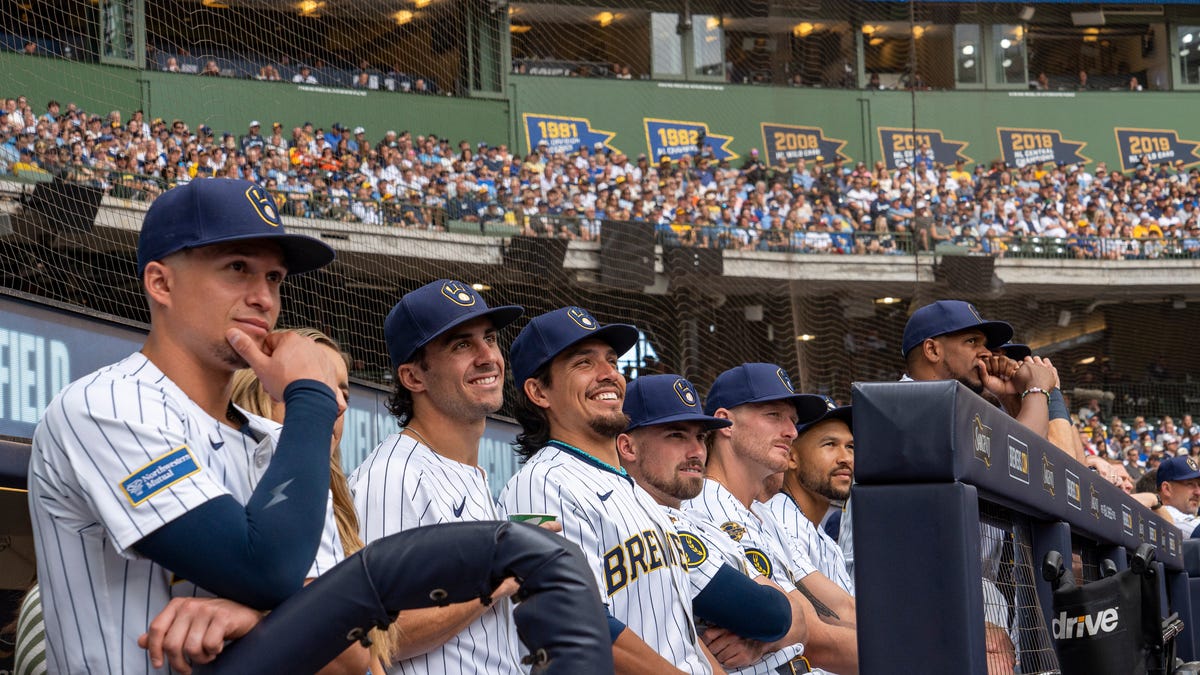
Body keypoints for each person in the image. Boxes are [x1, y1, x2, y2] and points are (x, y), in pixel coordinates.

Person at [27, 178, 347, 673]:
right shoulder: (106, 405)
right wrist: (310, 394)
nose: (263, 297)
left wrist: (254, 616)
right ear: (161, 283)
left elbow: (355, 656)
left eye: (275, 278)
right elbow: (263, 568)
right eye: (238, 268)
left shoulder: (283, 441)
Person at [500, 306, 715, 674]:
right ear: (539, 391)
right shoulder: (540, 485)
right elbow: (574, 619)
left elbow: (678, 632)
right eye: (584, 363)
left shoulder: (632, 489)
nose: (609, 375)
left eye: (612, 360)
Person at [348, 279, 526, 674]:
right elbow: (375, 633)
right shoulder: (392, 475)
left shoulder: (472, 476)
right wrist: (495, 584)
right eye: (461, 345)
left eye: (490, 339)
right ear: (413, 377)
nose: (487, 357)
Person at [616, 374, 801, 672]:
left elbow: (796, 614)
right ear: (628, 447)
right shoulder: (643, 521)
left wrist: (764, 638)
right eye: (676, 435)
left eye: (700, 437)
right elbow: (771, 613)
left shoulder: (698, 521)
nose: (696, 452)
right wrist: (772, 619)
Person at [229, 326, 389, 671]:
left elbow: (368, 655)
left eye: (344, 391)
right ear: (261, 388)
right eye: (319, 385)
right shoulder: (241, 470)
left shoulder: (339, 503)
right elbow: (336, 651)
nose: (339, 403)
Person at [685, 363, 858, 675]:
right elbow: (812, 635)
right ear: (725, 423)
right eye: (773, 416)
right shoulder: (707, 506)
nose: (791, 431)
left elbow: (836, 610)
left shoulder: (764, 513)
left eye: (792, 420)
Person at [764, 399, 855, 595]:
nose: (846, 458)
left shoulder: (826, 540)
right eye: (830, 444)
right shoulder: (779, 524)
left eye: (850, 446)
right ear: (791, 458)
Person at [1154, 455, 1200, 536]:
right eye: (1190, 484)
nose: (1198, 492)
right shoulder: (1170, 514)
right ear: (1167, 489)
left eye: (1199, 485)